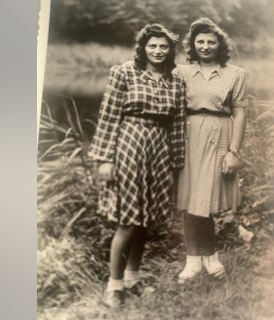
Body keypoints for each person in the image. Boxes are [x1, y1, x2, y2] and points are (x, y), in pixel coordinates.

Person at [88, 23, 186, 308]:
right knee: (129, 220)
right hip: (128, 144)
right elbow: (108, 116)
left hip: (159, 148)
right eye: (152, 45)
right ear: (143, 47)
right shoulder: (124, 72)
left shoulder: (175, 80)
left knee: (145, 220)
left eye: (163, 46)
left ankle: (133, 278)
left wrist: (175, 164)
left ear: (170, 50)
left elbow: (178, 125)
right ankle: (113, 286)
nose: (157, 51)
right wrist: (105, 158)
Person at [176, 18, 248, 283]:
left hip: (219, 135)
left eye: (211, 41)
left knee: (204, 200)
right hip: (188, 135)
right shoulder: (181, 72)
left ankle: (210, 255)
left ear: (220, 45)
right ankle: (193, 261)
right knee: (190, 199)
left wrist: (233, 151)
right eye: (200, 41)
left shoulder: (236, 74)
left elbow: (240, 115)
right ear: (193, 45)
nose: (205, 46)